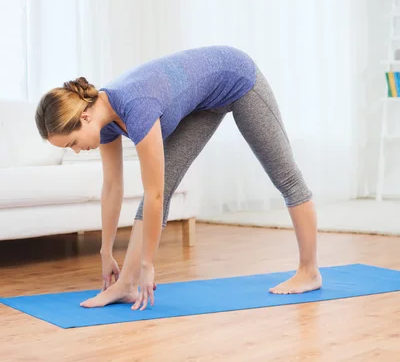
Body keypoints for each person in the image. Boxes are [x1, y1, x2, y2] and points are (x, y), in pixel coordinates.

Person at [35, 45, 322, 311]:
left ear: (84, 117)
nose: (75, 151)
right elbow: (112, 187)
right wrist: (105, 251)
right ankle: (126, 285)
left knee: (285, 177)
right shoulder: (104, 122)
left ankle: (309, 271)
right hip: (204, 101)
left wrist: (149, 263)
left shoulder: (137, 106)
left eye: (71, 142)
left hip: (236, 78)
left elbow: (155, 193)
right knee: (158, 187)